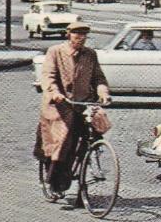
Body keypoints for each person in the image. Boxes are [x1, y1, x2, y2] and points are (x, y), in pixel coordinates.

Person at [34, 20, 111, 201]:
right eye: (77, 35)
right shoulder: (55, 52)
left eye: (84, 36)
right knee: (61, 143)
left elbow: (99, 78)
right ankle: (54, 182)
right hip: (59, 107)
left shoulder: (90, 55)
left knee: (96, 131)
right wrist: (55, 93)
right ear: (69, 35)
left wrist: (103, 93)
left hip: (82, 105)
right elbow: (48, 76)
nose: (80, 39)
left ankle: (86, 166)